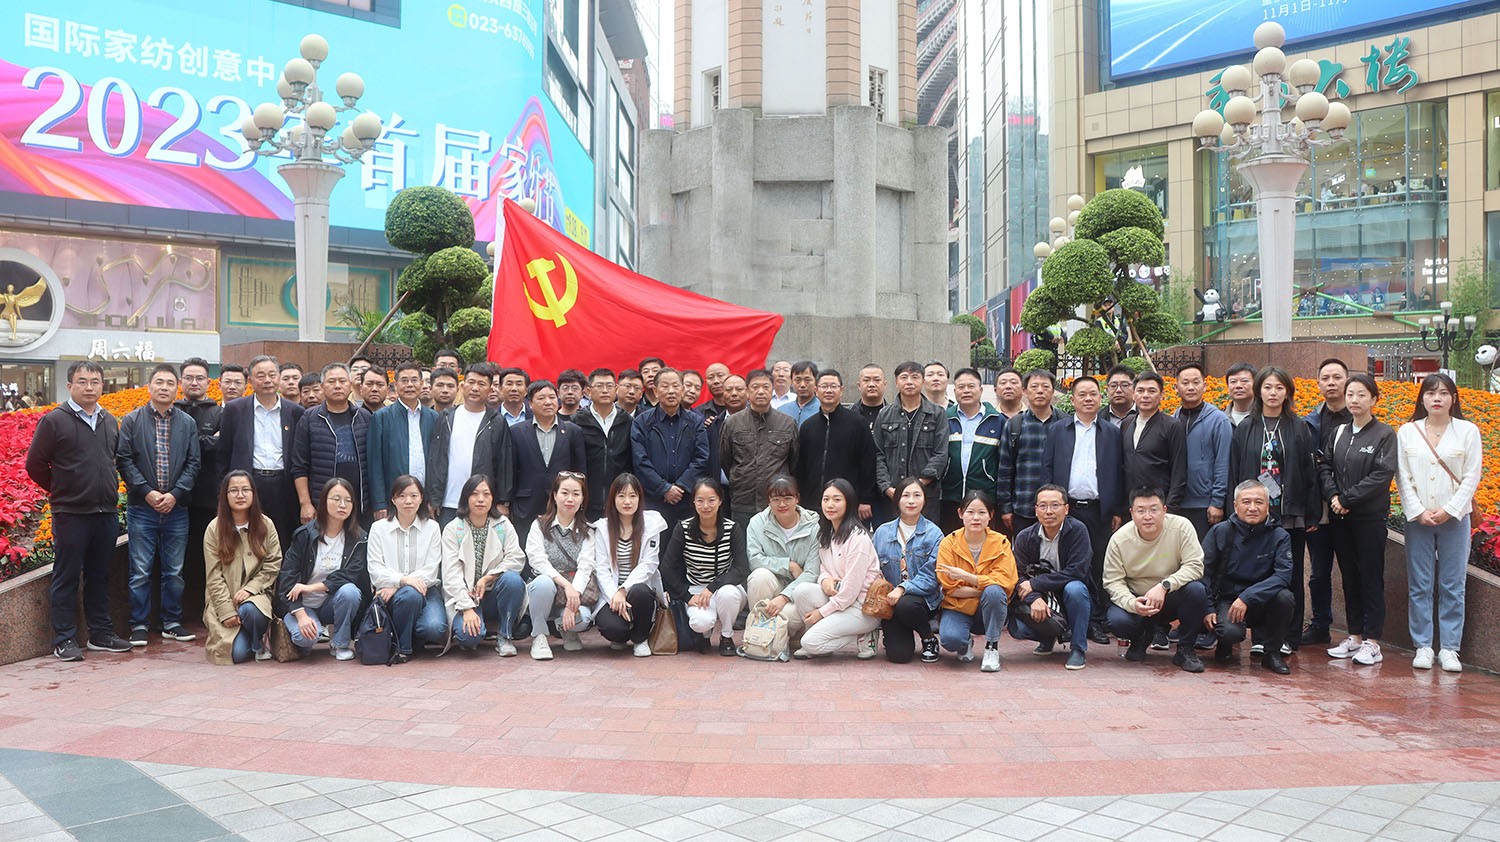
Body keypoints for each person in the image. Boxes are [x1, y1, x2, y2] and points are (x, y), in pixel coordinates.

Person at [25, 361, 133, 660]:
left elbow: (112, 460)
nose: (89, 387)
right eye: (82, 381)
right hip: (71, 513)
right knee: (67, 576)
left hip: (105, 512)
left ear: (102, 386)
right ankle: (64, 639)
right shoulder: (54, 421)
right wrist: (62, 488)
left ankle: (100, 634)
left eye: (95, 382)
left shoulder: (109, 421)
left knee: (99, 576)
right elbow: (34, 464)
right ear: (69, 385)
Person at [1228, 365, 1319, 653]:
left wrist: (1311, 511)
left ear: (1287, 393)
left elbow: (1309, 471)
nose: (1273, 393)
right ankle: (1260, 637)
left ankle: (1288, 637)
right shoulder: (1246, 427)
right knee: (1257, 572)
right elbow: (1234, 470)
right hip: (1254, 515)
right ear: (1259, 391)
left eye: (1279, 388)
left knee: (1291, 574)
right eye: (1267, 387)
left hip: (1289, 514)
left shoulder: (1298, 426)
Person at [1397, 373, 1482, 673]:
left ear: (1453, 398)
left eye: (1444, 393)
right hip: (1418, 519)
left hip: (1455, 520)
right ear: (1422, 398)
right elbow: (1402, 475)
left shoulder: (1468, 431)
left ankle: (1449, 648)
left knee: (1452, 584)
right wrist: (1417, 510)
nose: (1437, 398)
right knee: (1419, 584)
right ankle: (1422, 645)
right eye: (1431, 393)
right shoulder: (1407, 432)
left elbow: (1472, 475)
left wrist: (1450, 509)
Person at [117, 363, 202, 646]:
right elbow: (124, 459)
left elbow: (194, 463)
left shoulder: (187, 423)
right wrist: (147, 492)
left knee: (174, 571)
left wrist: (175, 494)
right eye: (159, 382)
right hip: (142, 507)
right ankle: (139, 624)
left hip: (177, 508)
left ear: (177, 388)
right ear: (149, 386)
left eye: (169, 383)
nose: (164, 387)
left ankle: (172, 622)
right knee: (140, 570)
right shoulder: (132, 420)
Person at [1320, 373, 1397, 667]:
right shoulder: (1339, 432)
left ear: (1374, 399)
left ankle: (1372, 641)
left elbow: (1381, 475)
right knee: (1349, 577)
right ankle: (1354, 636)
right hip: (1340, 518)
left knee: (1370, 577)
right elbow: (1324, 466)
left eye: (1361, 394)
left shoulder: (1384, 434)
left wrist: (1347, 499)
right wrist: (1333, 496)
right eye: (1350, 394)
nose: (1354, 400)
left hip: (1369, 518)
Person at [1042, 375, 1124, 646]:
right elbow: (1047, 467)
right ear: (1073, 399)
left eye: (1093, 394)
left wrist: (1116, 509)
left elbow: (1118, 472)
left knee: (1098, 564)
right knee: (1067, 564)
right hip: (1067, 509)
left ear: (1100, 398)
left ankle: (1095, 621)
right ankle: (1066, 620)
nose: (1088, 399)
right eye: (1083, 394)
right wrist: (1051, 505)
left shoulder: (1111, 432)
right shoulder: (1058, 430)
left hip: (1100, 510)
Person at [1103, 487, 1208, 673]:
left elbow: (1195, 566)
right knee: (1117, 620)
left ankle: (1185, 649)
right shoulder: (1119, 539)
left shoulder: (1181, 527)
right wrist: (1132, 603)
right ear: (1132, 513)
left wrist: (1165, 586)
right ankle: (1141, 637)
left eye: (1154, 509)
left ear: (1164, 510)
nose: (1147, 516)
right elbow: (1112, 581)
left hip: (1170, 595)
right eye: (1141, 510)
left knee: (1196, 591)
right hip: (1138, 598)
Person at [1202, 480, 1295, 674]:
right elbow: (1204, 573)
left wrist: (1247, 597)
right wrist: (1208, 608)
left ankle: (1272, 653)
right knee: (1229, 632)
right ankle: (1224, 644)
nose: (1252, 508)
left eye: (1259, 502)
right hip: (1228, 601)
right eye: (1246, 502)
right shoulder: (1221, 531)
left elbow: (1283, 575)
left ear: (1268, 505)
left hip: (1262, 600)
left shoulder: (1280, 535)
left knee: (1285, 598)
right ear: (1235, 505)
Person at [788, 479, 883, 660]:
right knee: (801, 591)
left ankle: (864, 632)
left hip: (861, 607)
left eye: (837, 500)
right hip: (837, 599)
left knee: (809, 642)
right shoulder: (826, 534)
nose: (830, 505)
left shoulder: (858, 538)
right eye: (826, 499)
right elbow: (824, 567)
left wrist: (820, 614)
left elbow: (850, 591)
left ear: (849, 503)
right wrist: (824, 580)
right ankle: (821, 640)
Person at [276, 478, 369, 660]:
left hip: (331, 603)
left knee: (350, 591)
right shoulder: (304, 534)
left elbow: (349, 575)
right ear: (324, 501)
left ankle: (340, 644)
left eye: (348, 500)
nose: (342, 505)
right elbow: (287, 578)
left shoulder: (358, 538)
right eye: (336, 499)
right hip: (302, 604)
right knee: (306, 639)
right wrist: (301, 615)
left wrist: (310, 587)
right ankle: (299, 630)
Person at [577, 473, 669, 656]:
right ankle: (621, 636)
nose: (627, 501)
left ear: (639, 498)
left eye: (632, 495)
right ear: (613, 499)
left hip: (637, 590)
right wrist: (615, 596)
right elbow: (602, 569)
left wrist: (623, 590)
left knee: (641, 591)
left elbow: (649, 565)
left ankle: (640, 638)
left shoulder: (652, 524)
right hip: (611, 593)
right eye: (621, 495)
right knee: (612, 628)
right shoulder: (602, 528)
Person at [218, 355, 304, 546]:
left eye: (272, 375)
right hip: (248, 483)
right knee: (247, 538)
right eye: (261, 375)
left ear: (279, 377)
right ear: (250, 380)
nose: (267, 380)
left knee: (282, 538)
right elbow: (223, 453)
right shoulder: (235, 410)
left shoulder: (295, 412)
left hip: (283, 485)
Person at [441, 473, 528, 653]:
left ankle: (505, 635)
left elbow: (516, 558)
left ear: (493, 498)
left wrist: (488, 577)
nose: (480, 499)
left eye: (486, 494)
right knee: (469, 638)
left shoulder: (502, 525)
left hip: (494, 594)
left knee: (512, 580)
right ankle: (476, 628)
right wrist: (467, 608)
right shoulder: (454, 528)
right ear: (466, 498)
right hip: (464, 596)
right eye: (474, 494)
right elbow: (451, 575)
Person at [1008, 485, 1092, 670]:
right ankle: (1048, 636)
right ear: (1035, 510)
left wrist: (1035, 583)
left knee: (1075, 588)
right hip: (1043, 597)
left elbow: (1077, 571)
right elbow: (1017, 576)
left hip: (1070, 595)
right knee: (1018, 629)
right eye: (1043, 506)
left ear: (1066, 509)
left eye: (1055, 505)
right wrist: (1033, 598)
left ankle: (1078, 648)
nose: (1049, 511)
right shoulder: (1025, 537)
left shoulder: (1077, 530)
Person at [203, 471, 283, 664]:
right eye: (234, 491)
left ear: (253, 493)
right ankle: (245, 635)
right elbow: (213, 576)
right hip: (224, 598)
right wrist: (226, 611)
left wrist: (250, 589)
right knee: (234, 655)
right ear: (225, 495)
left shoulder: (266, 524)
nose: (240, 495)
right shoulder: (214, 528)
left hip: (257, 595)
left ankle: (257, 640)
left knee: (251, 610)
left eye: (245, 490)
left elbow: (273, 564)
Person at [661, 478, 747, 655]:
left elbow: (741, 568)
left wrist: (713, 587)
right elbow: (667, 567)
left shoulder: (732, 529)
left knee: (728, 594)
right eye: (700, 500)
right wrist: (686, 596)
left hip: (725, 587)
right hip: (696, 589)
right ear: (693, 502)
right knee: (700, 623)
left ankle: (726, 636)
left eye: (711, 500)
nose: (705, 506)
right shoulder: (683, 528)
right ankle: (704, 635)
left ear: (720, 501)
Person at [934, 491, 1016, 672]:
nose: (976, 518)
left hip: (989, 608)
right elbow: (950, 588)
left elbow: (1005, 582)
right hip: (958, 606)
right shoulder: (948, 543)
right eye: (970, 512)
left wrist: (967, 577)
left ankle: (992, 646)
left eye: (982, 512)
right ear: (960, 514)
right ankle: (965, 643)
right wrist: (985, 588)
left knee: (995, 593)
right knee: (950, 640)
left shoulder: (1001, 543)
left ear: (991, 515)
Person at [426, 363, 516, 528]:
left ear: (490, 389)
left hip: (482, 503)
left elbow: (504, 463)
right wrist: (433, 498)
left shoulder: (496, 421)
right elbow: (435, 460)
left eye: (481, 384)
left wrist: (503, 501)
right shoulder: (446, 417)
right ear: (462, 386)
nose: (475, 388)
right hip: (448, 502)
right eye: (471, 382)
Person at [1302, 358, 1352, 645]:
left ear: (1347, 380)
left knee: (1352, 570)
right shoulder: (1309, 422)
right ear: (1318, 383)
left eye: (1337, 377)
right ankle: (1320, 624)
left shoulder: (1358, 419)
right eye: (1325, 378)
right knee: (1319, 572)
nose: (1331, 383)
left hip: (1350, 506)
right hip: (1319, 509)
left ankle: (1359, 631)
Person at [367, 475, 445, 663]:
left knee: (435, 628)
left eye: (413, 495)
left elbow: (431, 569)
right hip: (389, 597)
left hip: (426, 591)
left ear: (421, 498)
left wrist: (397, 584)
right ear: (393, 500)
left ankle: (407, 635)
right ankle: (403, 648)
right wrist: (404, 581)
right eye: (402, 496)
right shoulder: (378, 528)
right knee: (410, 595)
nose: (408, 501)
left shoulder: (432, 528)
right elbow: (375, 569)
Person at [521, 473, 597, 659]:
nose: (570, 499)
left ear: (583, 499)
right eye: (564, 493)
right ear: (554, 495)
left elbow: (586, 567)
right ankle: (539, 635)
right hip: (546, 589)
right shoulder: (539, 525)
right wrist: (565, 585)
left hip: (572, 590)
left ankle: (565, 628)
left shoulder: (588, 530)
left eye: (576, 494)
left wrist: (573, 595)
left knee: (583, 619)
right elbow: (537, 560)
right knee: (543, 583)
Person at [871, 477, 943, 663]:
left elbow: (932, 577)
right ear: (897, 500)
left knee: (906, 604)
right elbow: (872, 568)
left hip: (921, 601)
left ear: (924, 500)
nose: (911, 501)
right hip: (890, 602)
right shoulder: (882, 532)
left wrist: (903, 588)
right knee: (899, 655)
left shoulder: (934, 534)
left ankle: (928, 638)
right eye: (906, 495)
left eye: (917, 495)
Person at [746, 476, 822, 646]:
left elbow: (812, 572)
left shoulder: (813, 527)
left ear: (797, 498)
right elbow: (755, 560)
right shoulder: (757, 523)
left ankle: (783, 636)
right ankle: (760, 636)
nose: (782, 504)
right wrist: (788, 565)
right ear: (768, 501)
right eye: (776, 499)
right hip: (771, 590)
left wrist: (784, 596)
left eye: (788, 498)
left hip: (797, 594)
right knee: (759, 576)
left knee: (796, 603)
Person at [292, 363, 371, 525]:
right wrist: (305, 503)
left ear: (350, 385)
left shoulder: (364, 417)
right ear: (322, 387)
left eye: (342, 381)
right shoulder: (309, 418)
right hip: (322, 501)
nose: (337, 386)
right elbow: (299, 465)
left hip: (359, 502)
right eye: (331, 381)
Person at [509, 381, 587, 543]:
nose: (548, 402)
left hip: (562, 505)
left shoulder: (572, 431)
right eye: (541, 398)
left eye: (552, 397)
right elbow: (510, 469)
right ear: (530, 404)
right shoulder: (516, 432)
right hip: (526, 505)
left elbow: (579, 470)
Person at [796, 369, 879, 522]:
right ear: (816, 390)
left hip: (848, 502)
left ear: (841, 390)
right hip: (813, 503)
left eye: (833, 386)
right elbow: (800, 465)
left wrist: (865, 499)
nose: (828, 390)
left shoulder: (858, 423)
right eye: (824, 386)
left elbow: (868, 463)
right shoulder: (808, 426)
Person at [874, 361, 949, 523]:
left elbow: (941, 454)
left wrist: (917, 487)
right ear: (896, 382)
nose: (909, 382)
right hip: (892, 496)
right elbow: (878, 455)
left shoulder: (937, 414)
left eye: (915, 377)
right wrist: (887, 488)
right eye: (904, 377)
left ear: (923, 381)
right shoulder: (884, 414)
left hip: (926, 495)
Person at [720, 368, 800, 522]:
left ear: (772, 390)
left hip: (777, 500)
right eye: (755, 387)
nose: (761, 391)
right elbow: (725, 460)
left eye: (766, 387)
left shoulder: (787, 423)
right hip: (743, 499)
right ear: (747, 391)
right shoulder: (732, 423)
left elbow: (794, 462)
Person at [631, 368, 709, 523]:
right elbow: (640, 460)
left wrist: (681, 486)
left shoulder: (695, 422)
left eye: (675, 386)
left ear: (682, 389)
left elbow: (701, 457)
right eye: (665, 386)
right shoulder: (642, 422)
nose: (671, 391)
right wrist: (664, 488)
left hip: (687, 497)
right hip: (653, 498)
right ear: (655, 391)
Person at [176, 357, 223, 605]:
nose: (194, 382)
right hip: (176, 497)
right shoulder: (172, 410)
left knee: (209, 557)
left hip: (208, 499)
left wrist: (190, 442)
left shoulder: (219, 412)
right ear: (180, 381)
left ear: (208, 382)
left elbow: (222, 446)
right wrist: (208, 440)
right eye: (189, 378)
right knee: (179, 560)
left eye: (200, 378)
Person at [996, 370, 1063, 536]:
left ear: (1053, 390)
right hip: (1023, 507)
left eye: (1045, 386)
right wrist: (1006, 508)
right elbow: (1005, 469)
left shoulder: (1065, 423)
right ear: (1025, 391)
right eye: (1034, 387)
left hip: (1058, 509)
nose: (1040, 391)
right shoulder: (1015, 425)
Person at [368, 361, 436, 521]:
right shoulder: (381, 417)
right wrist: (379, 503)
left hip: (425, 500)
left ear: (422, 383)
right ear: (396, 384)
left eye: (414, 380)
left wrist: (434, 499)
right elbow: (374, 464)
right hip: (394, 498)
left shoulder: (433, 417)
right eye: (404, 380)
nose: (409, 385)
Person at [1174, 364, 1232, 545]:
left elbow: (1223, 463)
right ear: (1176, 387)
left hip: (1205, 505)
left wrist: (1217, 502)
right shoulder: (1173, 419)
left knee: (1205, 555)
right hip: (1178, 503)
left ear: (1205, 386)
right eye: (1185, 383)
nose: (1190, 387)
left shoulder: (1218, 420)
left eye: (1196, 382)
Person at [941, 368, 1002, 534]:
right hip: (950, 496)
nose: (966, 390)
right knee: (951, 542)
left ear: (980, 390)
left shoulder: (997, 420)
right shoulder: (944, 418)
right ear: (954, 391)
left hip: (984, 498)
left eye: (971, 386)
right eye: (961, 387)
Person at [1121, 371, 1187, 509]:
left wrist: (1170, 507)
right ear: (1133, 394)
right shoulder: (1126, 423)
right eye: (1140, 391)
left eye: (1152, 391)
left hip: (1158, 506)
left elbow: (1179, 472)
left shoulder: (1172, 426)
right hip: (1130, 505)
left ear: (1162, 395)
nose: (1145, 395)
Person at [575, 368, 633, 520]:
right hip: (586, 500)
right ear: (588, 391)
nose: (605, 390)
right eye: (600, 386)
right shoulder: (576, 422)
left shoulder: (628, 422)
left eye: (609, 386)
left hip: (619, 499)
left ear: (616, 389)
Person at [778, 360, 820, 427]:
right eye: (798, 380)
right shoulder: (782, 411)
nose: (802, 385)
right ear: (791, 382)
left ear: (816, 382)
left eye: (807, 380)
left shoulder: (823, 410)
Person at [853, 364, 888, 432]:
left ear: (885, 384)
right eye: (866, 380)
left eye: (877, 380)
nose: (871, 384)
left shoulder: (894, 415)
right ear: (859, 386)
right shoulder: (848, 415)